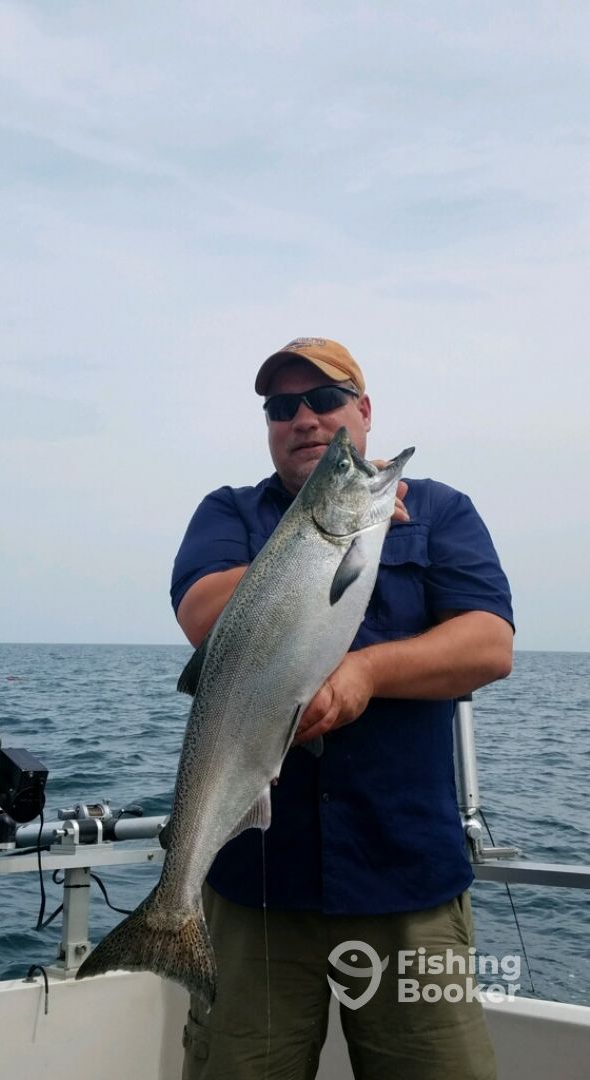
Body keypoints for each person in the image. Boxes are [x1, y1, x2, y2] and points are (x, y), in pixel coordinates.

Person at [170, 337, 514, 1080]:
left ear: (363, 409)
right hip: (256, 884)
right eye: (280, 407)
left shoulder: (440, 511)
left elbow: (488, 645)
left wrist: (365, 671)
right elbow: (202, 615)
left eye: (324, 399)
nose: (303, 419)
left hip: (406, 880)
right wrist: (323, 528)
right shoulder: (229, 513)